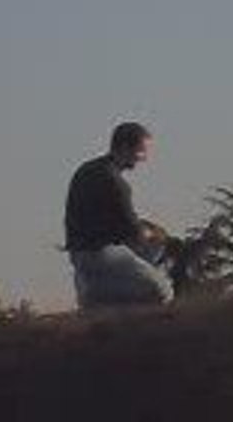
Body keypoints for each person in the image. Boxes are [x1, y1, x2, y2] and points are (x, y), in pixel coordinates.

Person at [64, 122, 173, 309]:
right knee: (163, 290)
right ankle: (96, 295)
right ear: (124, 147)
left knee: (146, 257)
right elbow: (135, 233)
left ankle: (96, 289)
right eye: (141, 151)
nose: (143, 158)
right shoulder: (116, 182)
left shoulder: (86, 170)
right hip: (101, 253)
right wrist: (156, 234)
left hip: (79, 254)